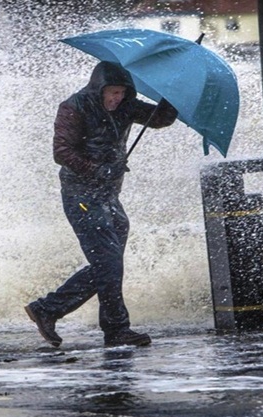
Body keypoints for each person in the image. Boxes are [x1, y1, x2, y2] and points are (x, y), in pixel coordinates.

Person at [25, 61, 178, 348]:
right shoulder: (74, 106)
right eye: (112, 93)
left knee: (109, 264)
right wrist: (96, 170)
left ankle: (48, 309)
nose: (116, 99)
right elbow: (61, 152)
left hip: (109, 196)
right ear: (99, 88)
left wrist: (169, 96)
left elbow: (160, 119)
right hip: (80, 195)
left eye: (122, 93)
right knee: (108, 262)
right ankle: (116, 329)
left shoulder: (126, 106)